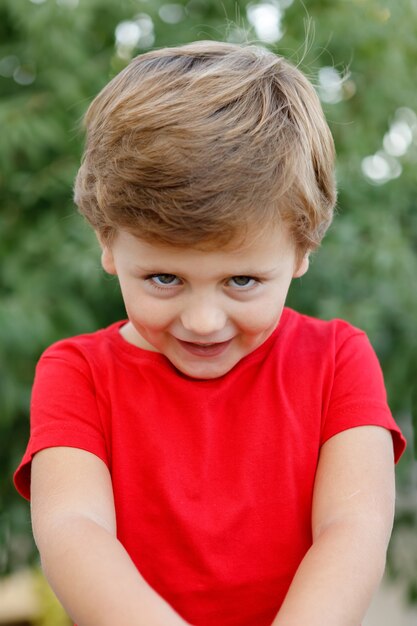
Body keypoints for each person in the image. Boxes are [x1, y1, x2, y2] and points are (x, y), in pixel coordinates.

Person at [14, 41, 406, 626]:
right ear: (107, 243)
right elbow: (75, 531)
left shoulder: (338, 360)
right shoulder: (77, 373)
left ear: (301, 251)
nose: (203, 321)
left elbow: (353, 529)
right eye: (164, 278)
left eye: (242, 280)